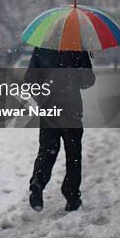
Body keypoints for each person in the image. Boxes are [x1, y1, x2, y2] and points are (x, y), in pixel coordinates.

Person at [24, 47, 95, 212]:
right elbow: (88, 81)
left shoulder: (41, 48)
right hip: (71, 111)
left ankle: (37, 182)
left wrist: (43, 100)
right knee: (73, 155)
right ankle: (72, 196)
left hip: (49, 111)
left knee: (47, 152)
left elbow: (29, 81)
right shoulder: (77, 48)